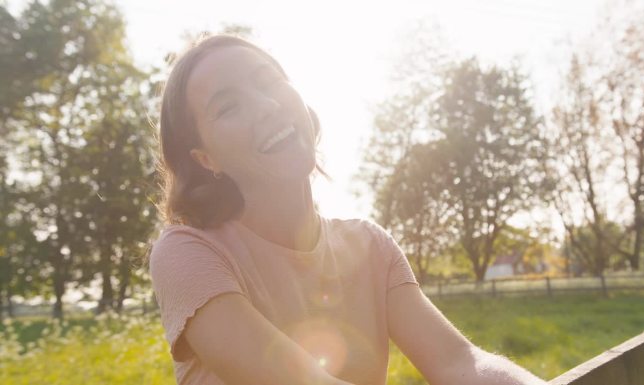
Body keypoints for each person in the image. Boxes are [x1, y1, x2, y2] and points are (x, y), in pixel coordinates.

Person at [149, 34, 547, 385]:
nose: (267, 105)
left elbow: (459, 361)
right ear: (205, 159)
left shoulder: (370, 246)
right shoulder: (187, 253)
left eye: (267, 81)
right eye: (228, 106)